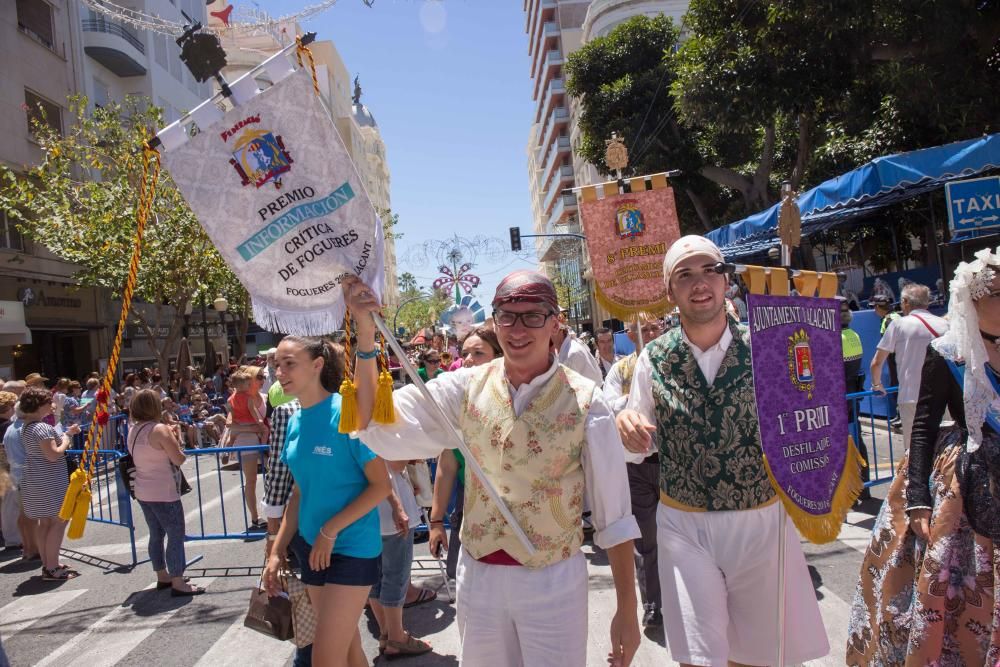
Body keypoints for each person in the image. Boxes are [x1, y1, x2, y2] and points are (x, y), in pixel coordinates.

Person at [346, 270, 642, 667]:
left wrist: (627, 609)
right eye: (507, 315)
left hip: (554, 579)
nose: (518, 329)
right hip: (479, 576)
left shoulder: (588, 401)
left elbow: (615, 515)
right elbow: (372, 424)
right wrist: (366, 337)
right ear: (494, 320)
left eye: (532, 316)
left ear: (555, 323)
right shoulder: (464, 387)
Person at [615, 235, 828, 665]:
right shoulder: (653, 359)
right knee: (699, 654)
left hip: (760, 519)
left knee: (759, 654)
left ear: (726, 282)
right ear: (670, 291)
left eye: (710, 270)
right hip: (684, 525)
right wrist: (627, 429)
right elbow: (638, 444)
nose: (700, 283)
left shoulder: (772, 346)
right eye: (685, 275)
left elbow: (808, 417)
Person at [846, 247, 1000, 663]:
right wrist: (918, 497)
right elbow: (923, 431)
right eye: (998, 294)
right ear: (973, 300)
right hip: (970, 483)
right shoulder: (948, 353)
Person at [262, 336, 391, 667]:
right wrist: (276, 551)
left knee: (325, 658)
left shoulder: (345, 413)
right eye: (277, 364)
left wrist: (330, 530)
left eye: (289, 363)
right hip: (311, 550)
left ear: (317, 365)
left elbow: (381, 485)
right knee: (348, 650)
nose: (280, 372)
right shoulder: (292, 420)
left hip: (351, 548)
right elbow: (300, 492)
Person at [602, 316, 664, 627]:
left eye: (654, 327)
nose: (649, 333)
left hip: (670, 463)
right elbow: (609, 404)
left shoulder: (672, 360)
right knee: (647, 539)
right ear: (629, 333)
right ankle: (653, 604)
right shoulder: (620, 369)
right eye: (643, 328)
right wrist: (636, 402)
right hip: (636, 466)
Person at [429, 326, 503, 580]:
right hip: (468, 505)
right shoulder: (456, 404)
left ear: (499, 356)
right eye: (465, 353)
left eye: (478, 353)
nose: (468, 359)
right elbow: (447, 466)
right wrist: (436, 522)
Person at [127, 389, 204, 595]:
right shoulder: (160, 429)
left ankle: (162, 575)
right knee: (175, 534)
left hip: (143, 489)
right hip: (164, 490)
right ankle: (178, 581)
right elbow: (179, 459)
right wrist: (176, 438)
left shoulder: (133, 429)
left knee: (156, 534)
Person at [870, 283, 948, 451]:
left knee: (914, 450)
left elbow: (877, 362)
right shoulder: (944, 325)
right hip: (944, 396)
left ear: (905, 301)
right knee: (945, 449)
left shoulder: (898, 326)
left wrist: (877, 385)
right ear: (927, 302)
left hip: (911, 397)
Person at [369, 463, 434, 659]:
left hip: (365, 507)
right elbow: (397, 462)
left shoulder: (348, 432)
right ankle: (396, 637)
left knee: (375, 576)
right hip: (392, 507)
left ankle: (387, 633)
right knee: (396, 574)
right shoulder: (384, 431)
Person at [19, 386, 81, 580]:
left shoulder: (26, 427)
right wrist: (67, 437)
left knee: (45, 523)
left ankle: (49, 564)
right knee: (58, 521)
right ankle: (52, 567)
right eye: (49, 402)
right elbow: (53, 455)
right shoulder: (42, 428)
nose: (53, 405)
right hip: (50, 481)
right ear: (39, 405)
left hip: (37, 480)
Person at [226, 365, 268, 530]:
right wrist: (252, 428)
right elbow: (230, 424)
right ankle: (255, 518)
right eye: (259, 377)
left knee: (274, 477)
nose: (262, 380)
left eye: (263, 376)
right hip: (248, 442)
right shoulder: (237, 399)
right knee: (251, 480)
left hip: (264, 441)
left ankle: (276, 514)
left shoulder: (265, 396)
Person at [839, 299, 871, 501]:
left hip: (842, 398)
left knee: (847, 443)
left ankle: (851, 488)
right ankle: (864, 486)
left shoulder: (836, 339)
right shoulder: (853, 335)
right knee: (857, 439)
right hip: (853, 396)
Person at [870, 293, 902, 429]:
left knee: (898, 385)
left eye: (874, 307)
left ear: (878, 307)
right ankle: (900, 415)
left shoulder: (888, 320)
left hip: (896, 359)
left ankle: (901, 416)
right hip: (899, 358)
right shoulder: (896, 316)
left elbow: (888, 345)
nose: (873, 310)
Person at [0, 392, 20, 550]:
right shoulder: (7, 426)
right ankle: (12, 539)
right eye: (13, 405)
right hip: (4, 469)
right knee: (9, 505)